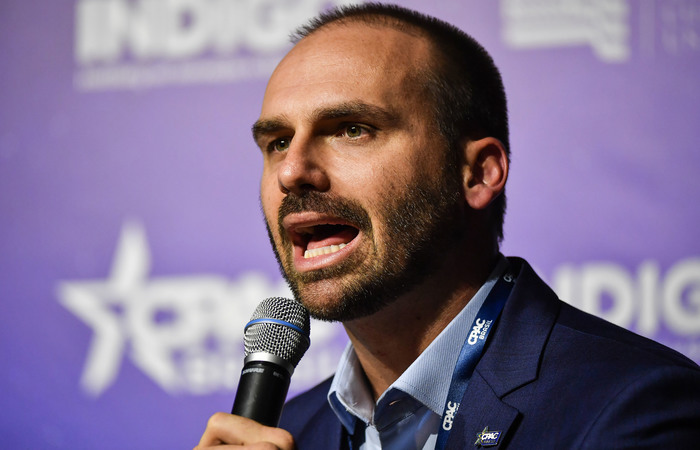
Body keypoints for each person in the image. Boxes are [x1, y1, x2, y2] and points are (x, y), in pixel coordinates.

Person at [196, 3, 700, 449]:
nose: (291, 171)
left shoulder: (634, 408)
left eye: (352, 129)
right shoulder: (288, 434)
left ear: (479, 174)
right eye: (277, 142)